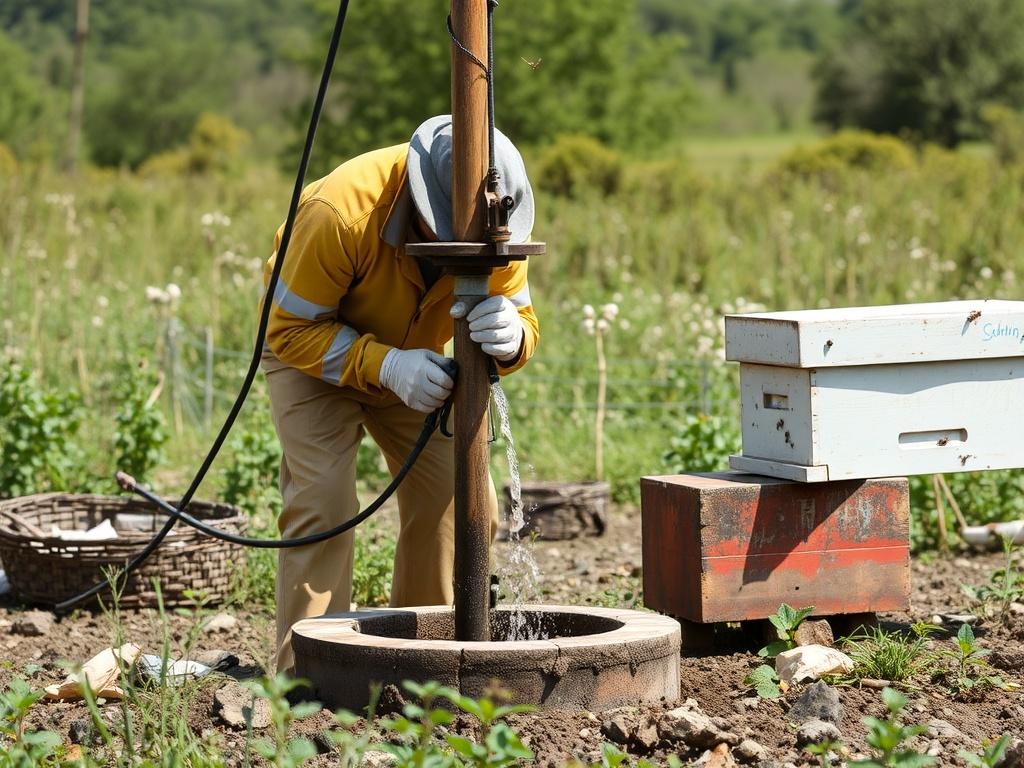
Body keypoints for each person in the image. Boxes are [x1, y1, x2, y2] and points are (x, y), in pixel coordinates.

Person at [260, 114, 539, 673]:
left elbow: (523, 320)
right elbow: (286, 328)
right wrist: (385, 366)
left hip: (422, 372)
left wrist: (513, 338)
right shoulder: (341, 211)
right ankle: (307, 677)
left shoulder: (498, 224)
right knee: (323, 503)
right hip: (316, 352)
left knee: (462, 500)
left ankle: (421, 666)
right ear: (418, 203)